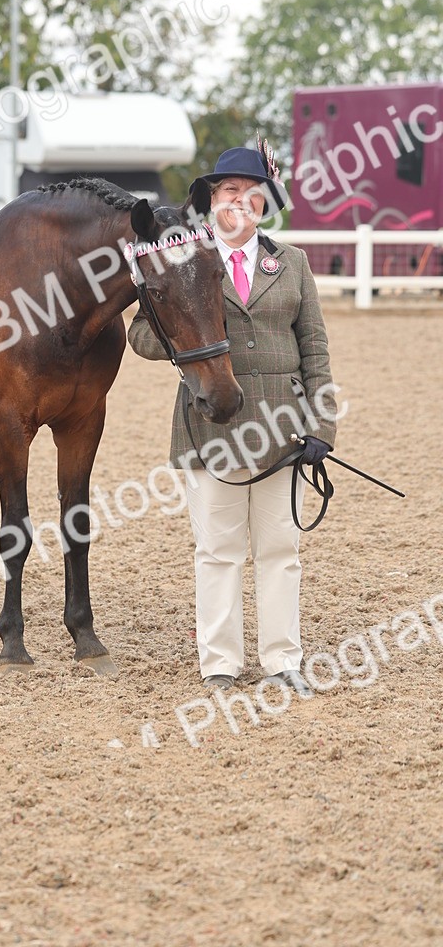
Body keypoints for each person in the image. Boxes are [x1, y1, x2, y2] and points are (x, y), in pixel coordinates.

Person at [127, 144, 338, 695]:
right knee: (218, 551)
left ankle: (282, 660)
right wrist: (181, 341)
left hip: (284, 432)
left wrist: (322, 427)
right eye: (228, 193)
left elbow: (314, 347)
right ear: (212, 203)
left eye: (252, 194)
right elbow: (141, 335)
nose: (239, 202)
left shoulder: (291, 263)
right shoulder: (183, 259)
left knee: (279, 550)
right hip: (211, 427)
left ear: (265, 203)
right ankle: (219, 663)